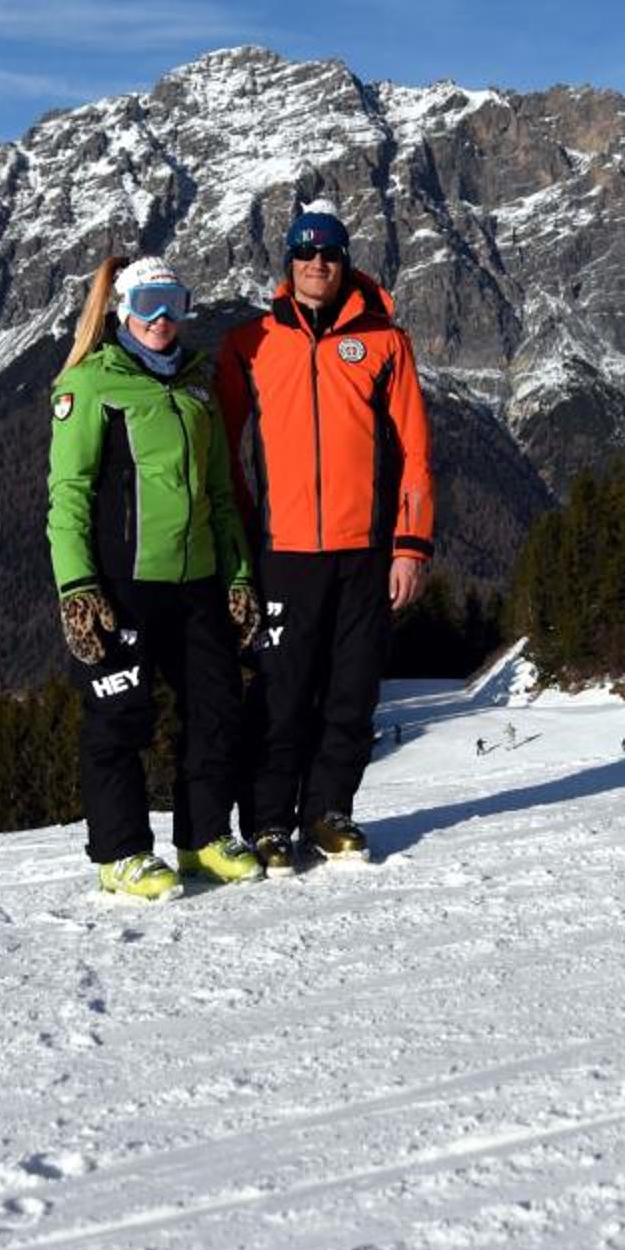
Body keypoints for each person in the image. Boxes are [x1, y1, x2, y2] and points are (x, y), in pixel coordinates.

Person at [214, 200, 436, 869]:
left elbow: (415, 452)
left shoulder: (385, 342)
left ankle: (329, 812)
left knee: (352, 693)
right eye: (305, 253)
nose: (317, 263)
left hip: (365, 552)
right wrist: (241, 538)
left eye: (329, 254)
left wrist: (410, 547)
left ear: (345, 263)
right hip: (283, 554)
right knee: (279, 696)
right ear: (288, 263)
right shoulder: (250, 343)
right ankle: (268, 824)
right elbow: (221, 452)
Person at [46, 254, 265, 900]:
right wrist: (77, 588)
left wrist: (238, 576)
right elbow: (68, 495)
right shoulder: (91, 383)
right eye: (148, 304)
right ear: (123, 311)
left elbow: (221, 494)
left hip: (197, 582)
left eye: (175, 302)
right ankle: (120, 854)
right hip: (123, 585)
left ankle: (203, 839)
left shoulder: (197, 385)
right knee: (121, 716)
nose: (163, 317)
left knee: (216, 709)